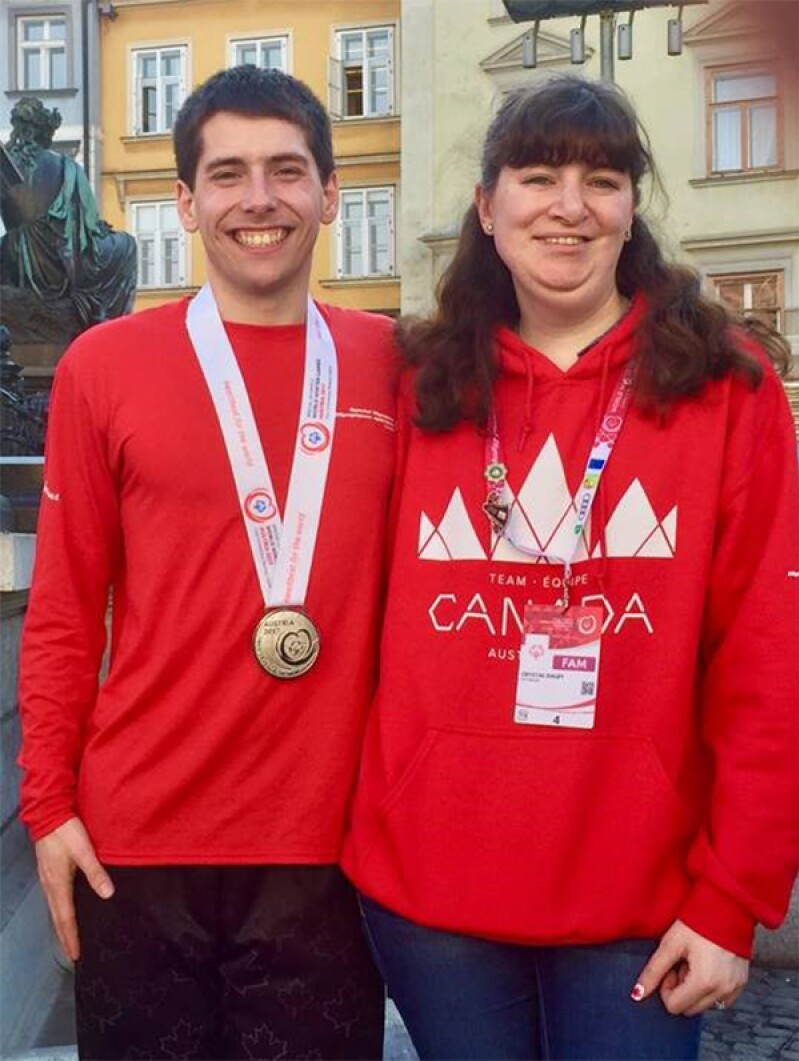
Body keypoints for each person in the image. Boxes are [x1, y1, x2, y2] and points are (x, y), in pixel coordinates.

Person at [342, 75, 799, 1061]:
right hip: (432, 890)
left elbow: (764, 656)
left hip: (635, 892)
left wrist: (734, 896)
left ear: (630, 207)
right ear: (486, 204)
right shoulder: (418, 381)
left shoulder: (725, 385)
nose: (566, 205)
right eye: (537, 175)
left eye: (599, 179)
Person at [18, 65, 397, 1060]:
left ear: (329, 192)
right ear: (184, 202)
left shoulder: (396, 365)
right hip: (136, 843)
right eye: (227, 174)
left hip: (331, 848)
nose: (259, 199)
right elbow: (63, 604)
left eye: (286, 170)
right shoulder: (104, 366)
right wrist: (46, 805)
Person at [1, 97, 136, 326]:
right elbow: (90, 226)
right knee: (127, 244)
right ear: (42, 134)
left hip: (16, 255)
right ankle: (107, 324)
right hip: (61, 256)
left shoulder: (5, 164)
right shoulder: (67, 166)